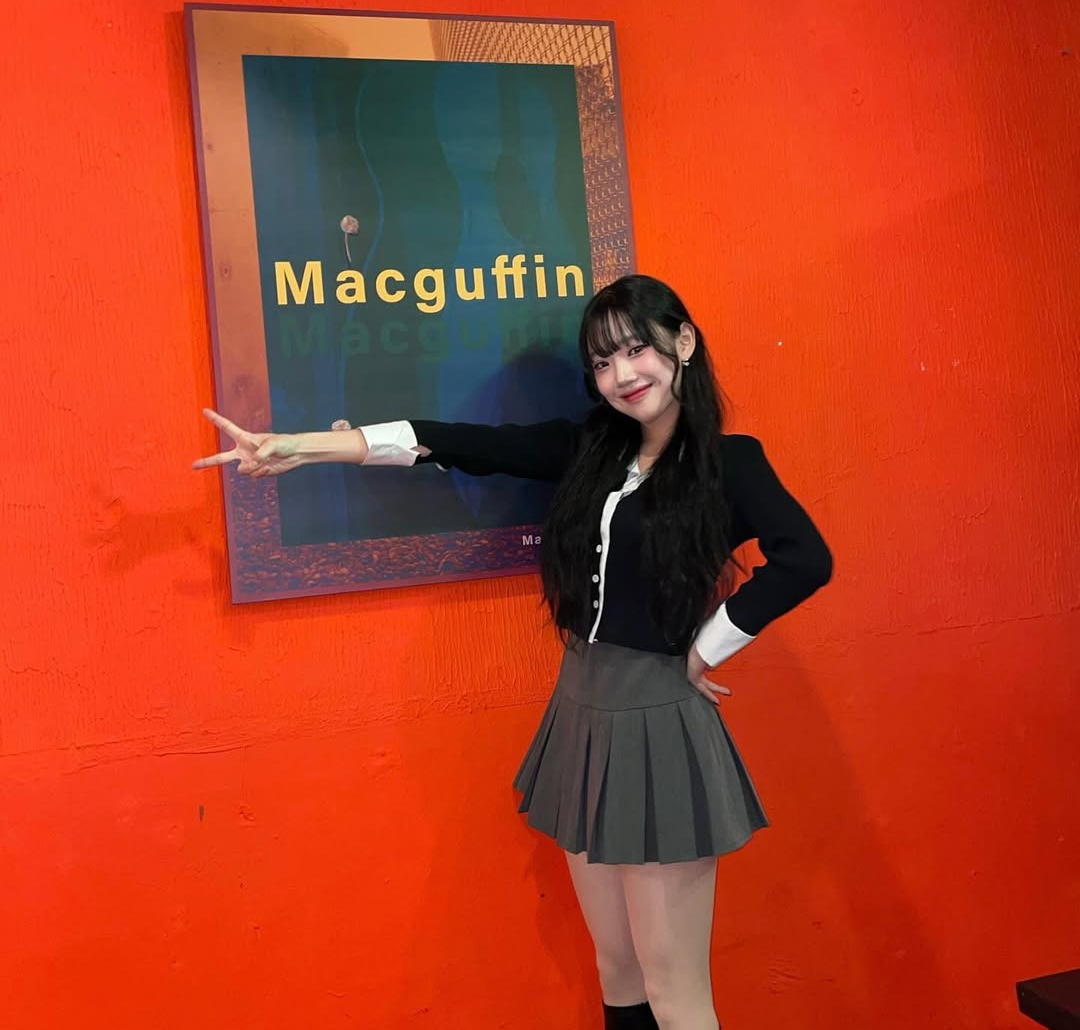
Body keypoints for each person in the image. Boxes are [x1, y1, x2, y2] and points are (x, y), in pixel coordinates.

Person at [194, 274, 832, 1030]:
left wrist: (707, 646)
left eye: (637, 349)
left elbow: (805, 559)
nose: (623, 374)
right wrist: (300, 448)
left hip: (657, 722)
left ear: (682, 342)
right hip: (581, 712)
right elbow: (458, 443)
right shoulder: (591, 450)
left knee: (675, 990)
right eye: (603, 362)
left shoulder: (731, 462)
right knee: (618, 973)